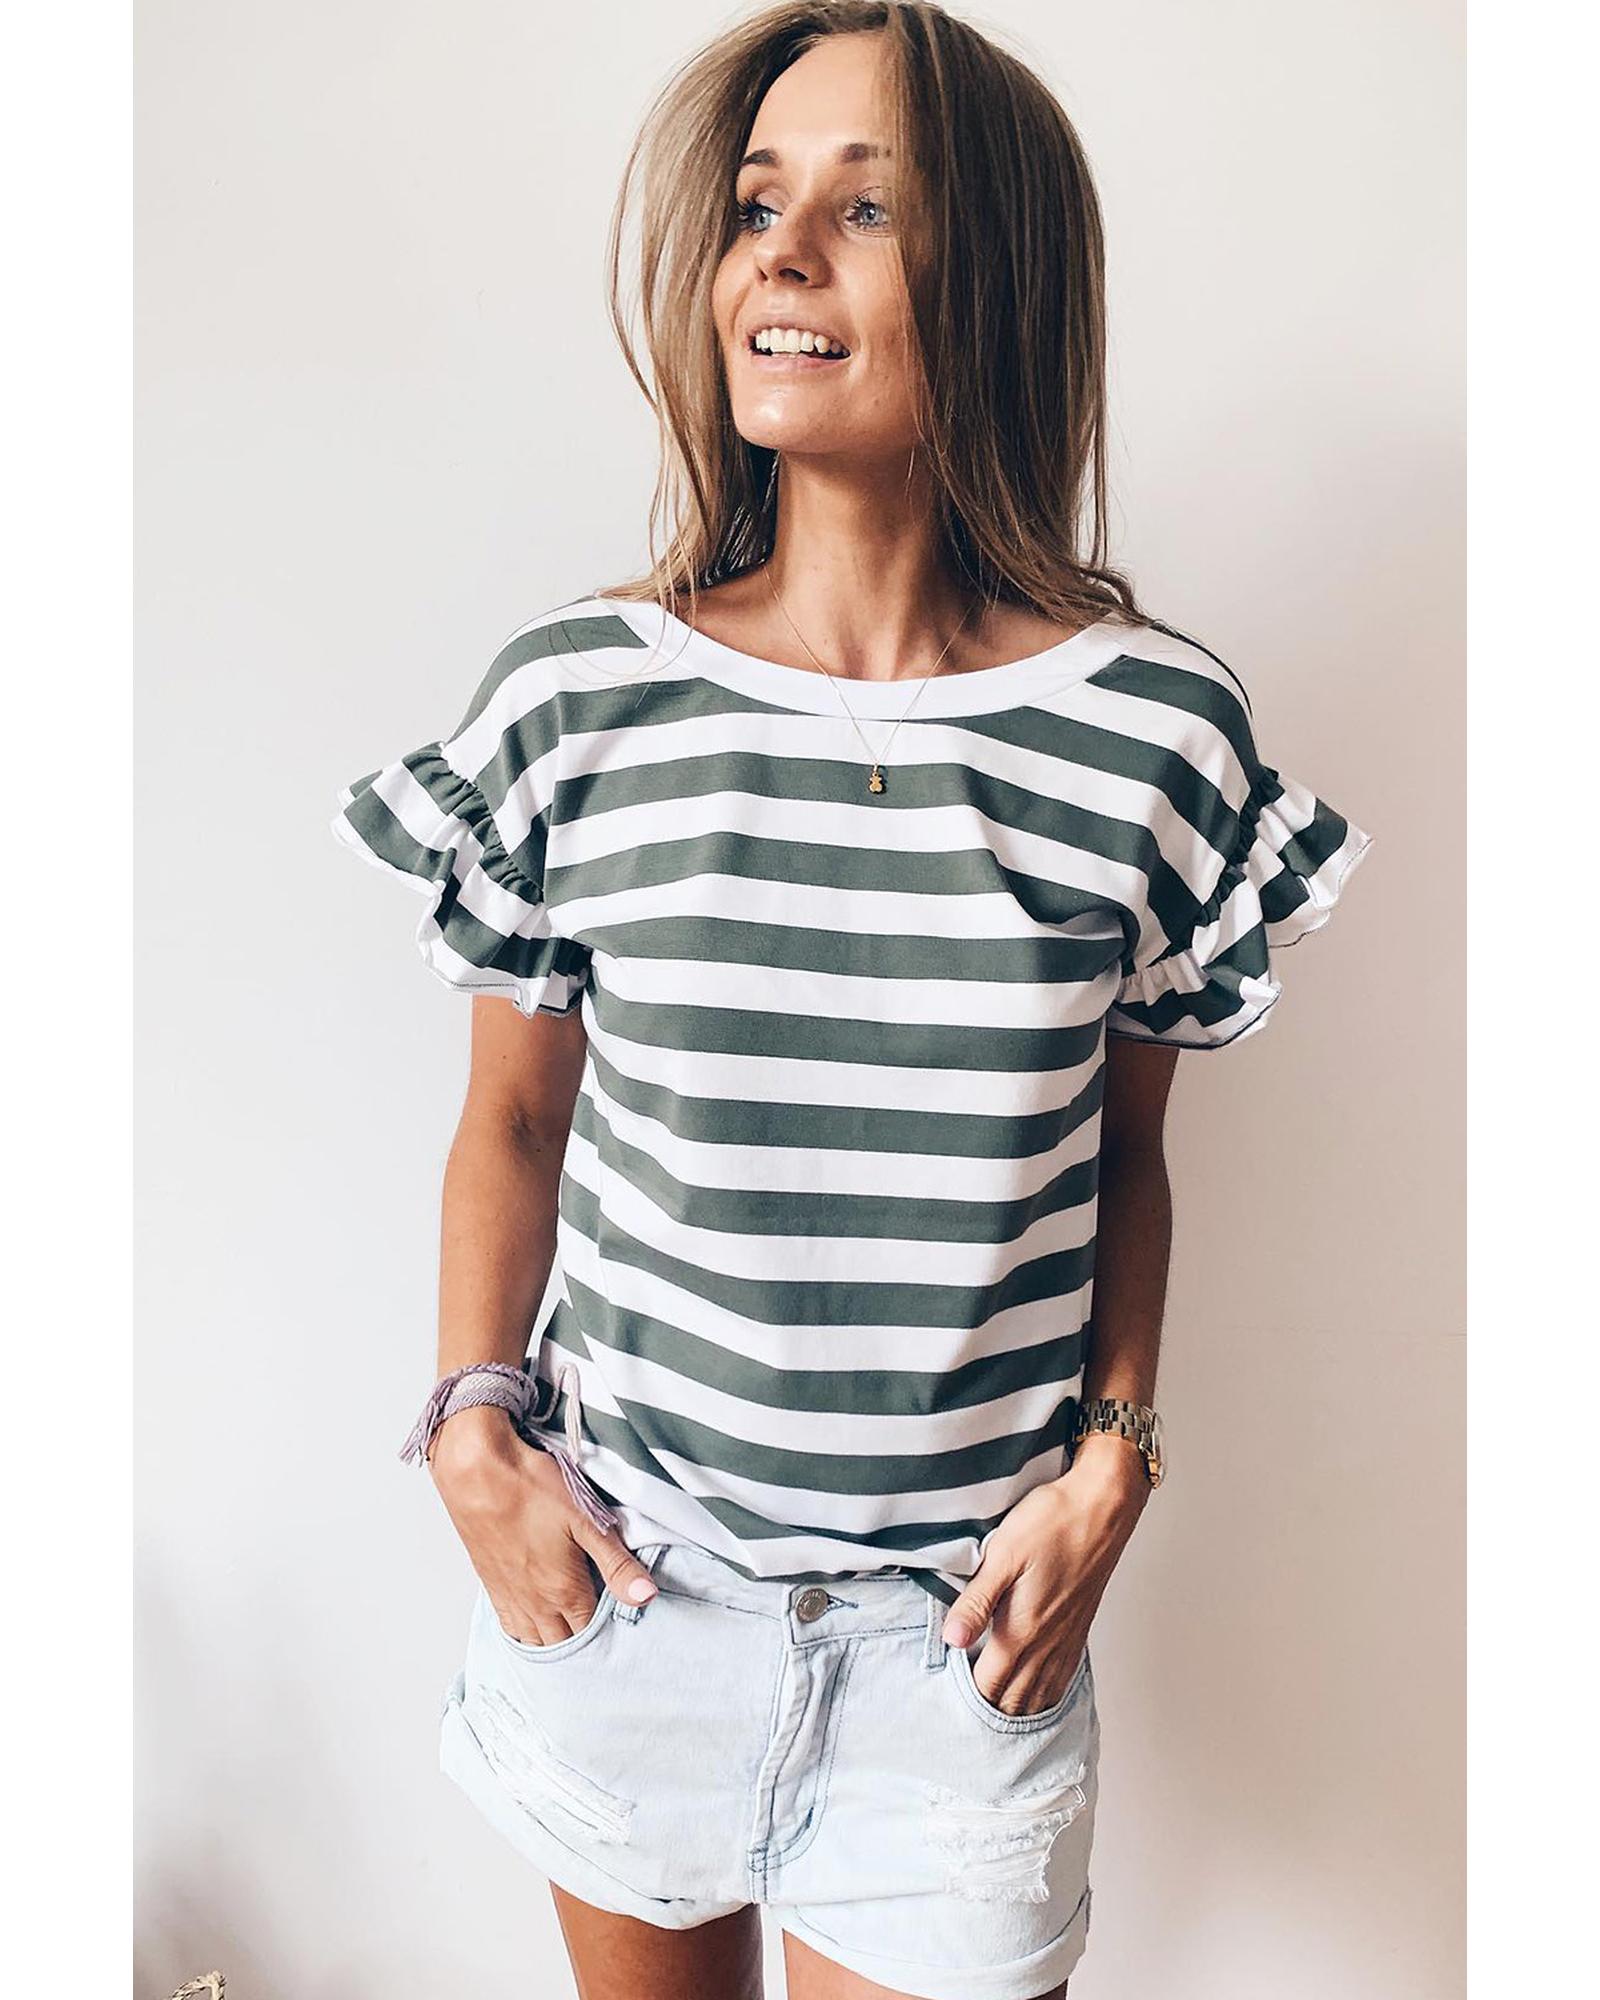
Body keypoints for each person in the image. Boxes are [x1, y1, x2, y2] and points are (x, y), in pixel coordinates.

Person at [329, 5, 1373, 1996]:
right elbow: (516, 1119)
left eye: (865, 208)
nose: (781, 257)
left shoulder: (1151, 734)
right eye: (754, 204)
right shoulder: (577, 701)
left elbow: (1123, 1158)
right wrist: (472, 1431)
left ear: (999, 278)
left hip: (955, 1656)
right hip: (625, 1601)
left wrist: (1115, 1459)